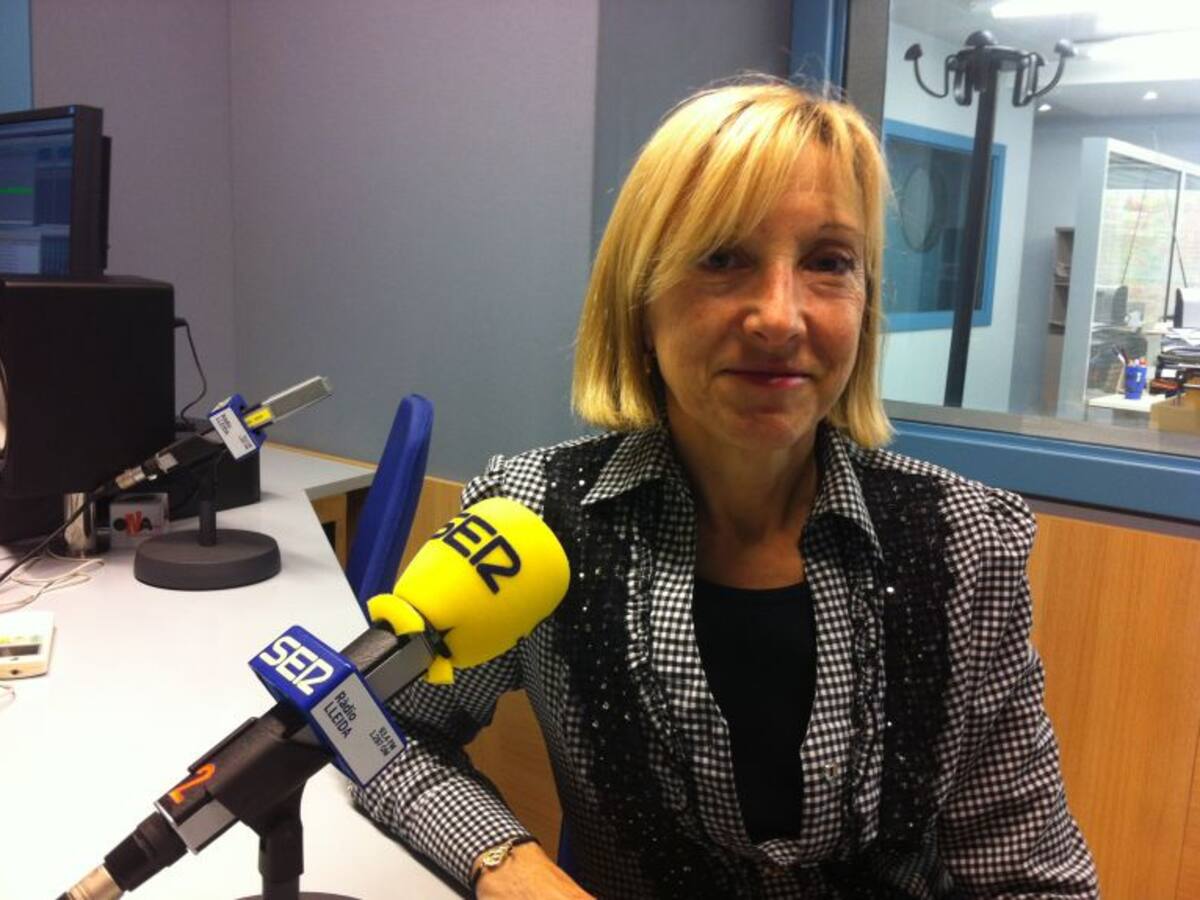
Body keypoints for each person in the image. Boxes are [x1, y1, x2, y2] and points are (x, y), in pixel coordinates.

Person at [355, 78, 1099, 898]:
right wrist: (513, 870)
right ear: (639, 302)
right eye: (722, 257)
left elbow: (1033, 878)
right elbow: (372, 729)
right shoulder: (534, 517)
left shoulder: (965, 542)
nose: (780, 317)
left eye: (829, 262)